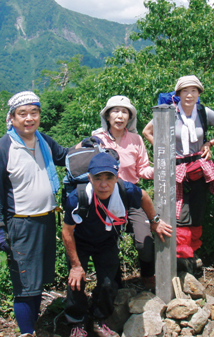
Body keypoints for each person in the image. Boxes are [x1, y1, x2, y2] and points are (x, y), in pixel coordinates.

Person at [0, 91, 70, 337]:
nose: (29, 118)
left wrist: (89, 148)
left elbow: (64, 156)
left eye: (34, 112)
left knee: (38, 280)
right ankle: (26, 331)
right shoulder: (2, 149)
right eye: (22, 114)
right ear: (11, 118)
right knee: (24, 285)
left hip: (45, 220)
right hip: (21, 224)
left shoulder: (42, 140)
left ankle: (32, 327)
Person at [62, 153, 172, 337]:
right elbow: (67, 232)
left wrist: (154, 221)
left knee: (108, 284)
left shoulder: (125, 190)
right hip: (80, 242)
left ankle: (99, 318)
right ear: (90, 178)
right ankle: (77, 322)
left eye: (109, 178)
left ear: (117, 177)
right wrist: (75, 265)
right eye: (97, 178)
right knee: (76, 283)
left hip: (106, 241)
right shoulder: (77, 198)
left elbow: (143, 196)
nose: (103, 184)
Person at [143, 75, 214, 268]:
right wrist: (163, 151)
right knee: (179, 213)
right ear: (178, 94)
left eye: (193, 91)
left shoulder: (203, 112)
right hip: (176, 168)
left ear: (199, 93)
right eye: (185, 91)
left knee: (197, 211)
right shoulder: (169, 112)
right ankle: (182, 257)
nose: (189, 95)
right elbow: (147, 131)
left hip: (198, 168)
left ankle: (192, 252)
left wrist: (209, 143)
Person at [91, 95, 156, 289]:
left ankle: (148, 278)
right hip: (104, 198)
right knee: (108, 245)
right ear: (107, 116)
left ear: (130, 117)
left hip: (132, 197)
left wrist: (159, 171)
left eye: (124, 112)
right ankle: (114, 286)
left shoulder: (136, 140)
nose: (120, 116)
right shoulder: (97, 140)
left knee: (145, 243)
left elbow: (142, 169)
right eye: (115, 111)